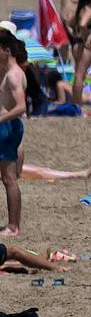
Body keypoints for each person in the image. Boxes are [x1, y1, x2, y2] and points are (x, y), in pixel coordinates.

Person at [0, 33, 25, 236]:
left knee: (9, 178)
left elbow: (21, 107)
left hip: (8, 127)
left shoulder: (14, 75)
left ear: (6, 50)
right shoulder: (7, 72)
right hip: (7, 126)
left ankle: (13, 226)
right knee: (7, 178)